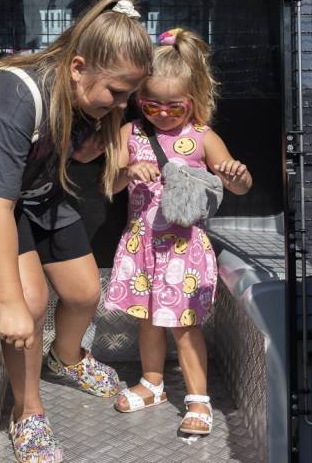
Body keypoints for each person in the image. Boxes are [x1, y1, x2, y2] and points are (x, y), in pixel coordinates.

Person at [0, 0, 154, 463]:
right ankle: (27, 412)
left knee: (87, 292)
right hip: (5, 205)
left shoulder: (88, 106)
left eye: (130, 95)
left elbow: (74, 150)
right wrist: (9, 304)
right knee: (30, 303)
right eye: (117, 93)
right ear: (78, 67)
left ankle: (65, 358)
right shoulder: (17, 93)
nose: (124, 105)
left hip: (43, 195)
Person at [103, 27, 252, 436]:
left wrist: (236, 174)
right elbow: (109, 184)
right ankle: (153, 384)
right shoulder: (128, 134)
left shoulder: (203, 137)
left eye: (174, 106)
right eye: (152, 104)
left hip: (183, 251)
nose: (162, 113)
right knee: (147, 320)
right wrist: (126, 171)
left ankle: (199, 399)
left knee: (184, 325)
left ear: (195, 100)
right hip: (142, 246)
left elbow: (237, 184)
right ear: (138, 98)